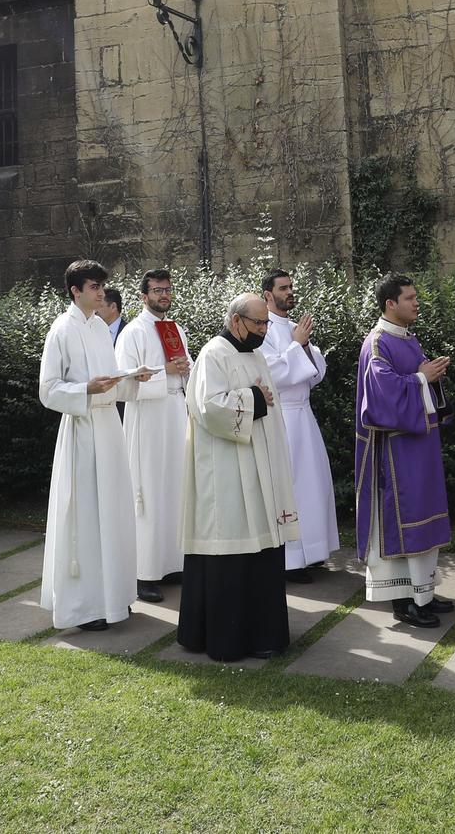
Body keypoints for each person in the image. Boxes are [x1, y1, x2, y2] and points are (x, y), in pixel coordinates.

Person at [177, 292, 298, 661]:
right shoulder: (214, 354)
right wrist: (255, 399)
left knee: (262, 549)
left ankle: (264, 633)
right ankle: (229, 638)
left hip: (260, 465)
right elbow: (210, 407)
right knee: (232, 548)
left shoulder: (255, 353)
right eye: (258, 323)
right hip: (227, 470)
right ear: (236, 321)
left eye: (265, 323)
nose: (264, 330)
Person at [39, 259, 139, 631]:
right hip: (82, 429)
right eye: (94, 287)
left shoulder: (99, 327)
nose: (101, 293)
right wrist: (84, 389)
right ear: (75, 291)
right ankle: (85, 606)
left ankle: (114, 597)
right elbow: (48, 390)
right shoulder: (61, 330)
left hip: (109, 426)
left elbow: (110, 378)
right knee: (86, 515)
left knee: (112, 511)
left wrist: (131, 379)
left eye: (101, 287)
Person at [355, 274, 455, 628]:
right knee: (404, 519)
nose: (417, 303)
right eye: (410, 298)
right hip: (396, 454)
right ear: (390, 304)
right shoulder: (378, 343)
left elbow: (419, 380)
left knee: (425, 517)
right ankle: (403, 601)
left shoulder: (407, 338)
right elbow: (382, 396)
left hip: (419, 447)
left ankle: (423, 591)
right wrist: (421, 379)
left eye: (416, 297)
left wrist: (432, 377)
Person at [116, 270, 191, 602]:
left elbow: (186, 369)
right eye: (158, 290)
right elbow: (124, 382)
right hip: (146, 417)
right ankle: (143, 572)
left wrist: (188, 372)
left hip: (176, 412)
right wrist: (167, 372)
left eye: (168, 290)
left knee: (176, 488)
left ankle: (172, 563)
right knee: (146, 491)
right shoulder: (132, 333)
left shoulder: (176, 329)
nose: (164, 295)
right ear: (143, 296)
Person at [260, 270, 339, 583]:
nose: (290, 292)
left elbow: (315, 374)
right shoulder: (262, 329)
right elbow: (269, 373)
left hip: (303, 415)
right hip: (280, 417)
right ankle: (290, 560)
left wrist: (303, 346)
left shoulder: (294, 328)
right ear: (268, 294)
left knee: (313, 485)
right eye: (283, 288)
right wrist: (296, 346)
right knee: (290, 488)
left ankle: (313, 551)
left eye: (291, 286)